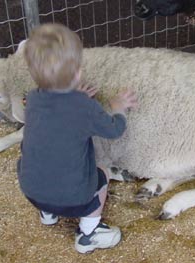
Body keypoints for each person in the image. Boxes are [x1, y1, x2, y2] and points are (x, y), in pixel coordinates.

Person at [16, 23, 137, 254]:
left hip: (32, 192)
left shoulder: (32, 99)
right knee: (102, 172)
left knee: (34, 160)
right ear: (78, 73)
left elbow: (58, 115)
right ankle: (88, 234)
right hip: (74, 199)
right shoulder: (84, 107)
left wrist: (77, 96)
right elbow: (114, 130)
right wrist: (118, 108)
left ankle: (48, 215)